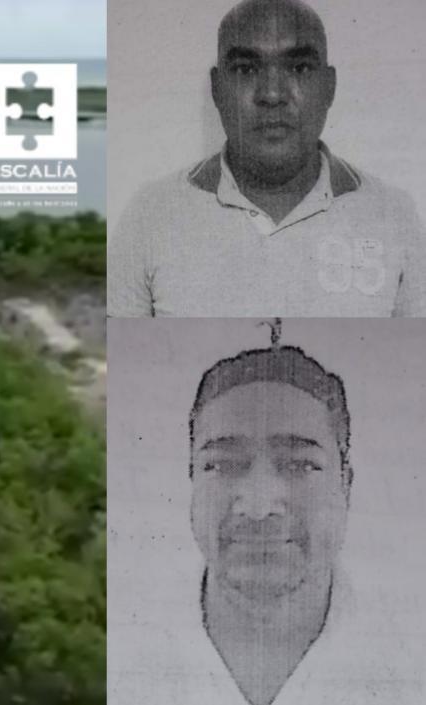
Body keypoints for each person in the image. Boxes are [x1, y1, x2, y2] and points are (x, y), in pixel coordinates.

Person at [109, 339, 426, 704]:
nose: (259, 507)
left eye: (299, 465)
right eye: (224, 465)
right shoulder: (119, 647)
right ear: (193, 480)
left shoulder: (410, 661)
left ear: (345, 485)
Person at [108, 0, 426, 317]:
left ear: (329, 87)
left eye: (299, 68)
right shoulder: (151, 216)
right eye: (246, 69)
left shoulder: (394, 216)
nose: (272, 95)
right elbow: (115, 364)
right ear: (217, 89)